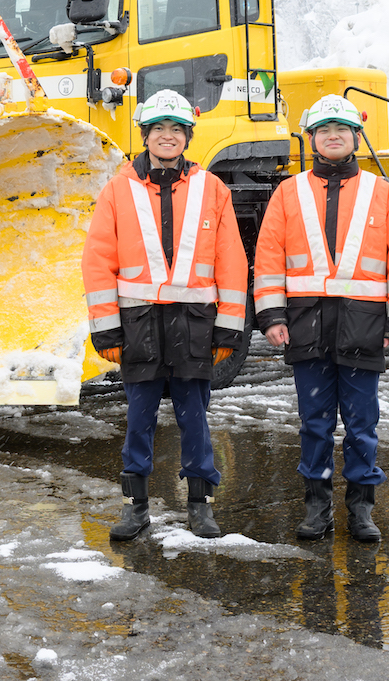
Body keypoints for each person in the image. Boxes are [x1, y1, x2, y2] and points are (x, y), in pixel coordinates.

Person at [82, 89, 249, 541]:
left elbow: (232, 262)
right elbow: (98, 263)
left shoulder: (212, 189)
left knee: (195, 418)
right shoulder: (117, 190)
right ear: (146, 136)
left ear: (188, 137)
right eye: (159, 129)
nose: (168, 137)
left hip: (195, 327)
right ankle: (134, 508)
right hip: (138, 329)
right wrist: (106, 332)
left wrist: (229, 330)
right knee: (139, 421)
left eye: (177, 130)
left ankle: (200, 505)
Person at [252, 95, 389, 542]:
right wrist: (270, 315)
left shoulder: (382, 193)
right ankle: (317, 508)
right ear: (311, 139)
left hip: (364, 326)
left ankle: (361, 510)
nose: (332, 136)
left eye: (340, 130)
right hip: (306, 325)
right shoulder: (288, 192)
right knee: (315, 422)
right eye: (323, 130)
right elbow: (268, 258)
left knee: (362, 423)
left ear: (355, 138)